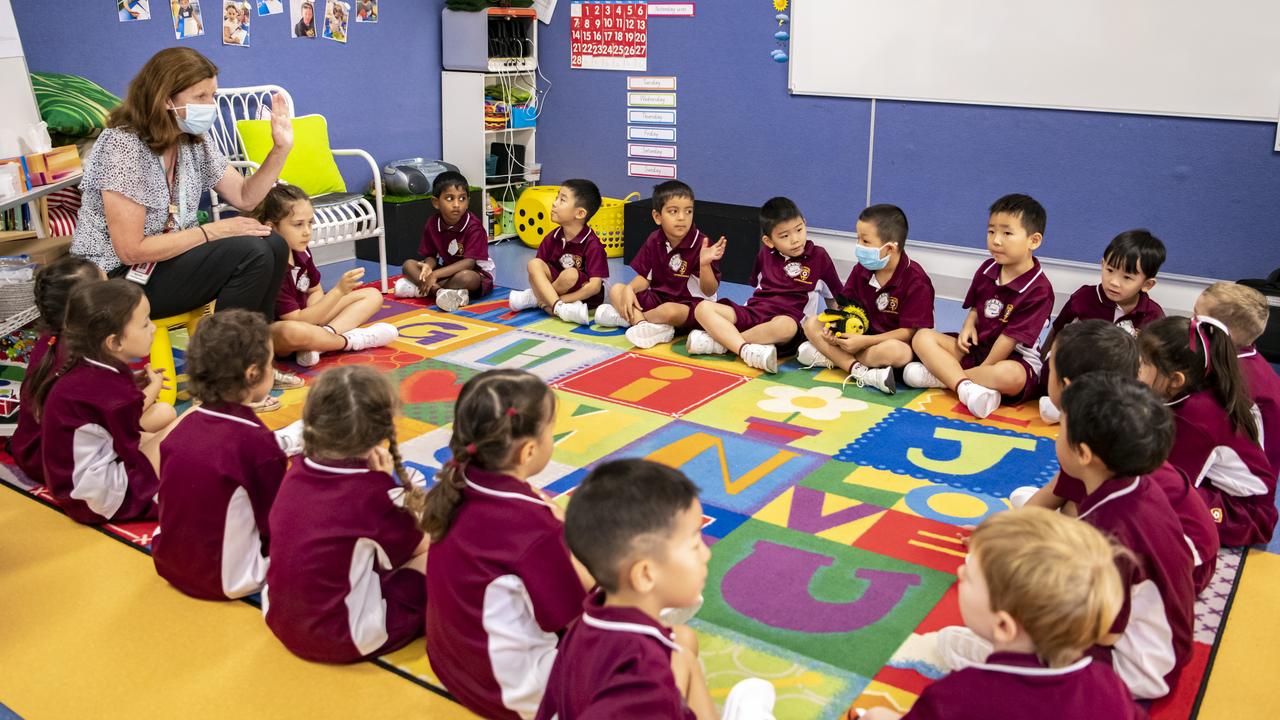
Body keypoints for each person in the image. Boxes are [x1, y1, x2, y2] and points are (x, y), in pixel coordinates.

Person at [538, 458, 777, 720]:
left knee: (683, 652)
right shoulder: (645, 678)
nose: (707, 555)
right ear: (645, 575)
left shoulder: (587, 623)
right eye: (695, 545)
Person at [72, 47, 292, 323]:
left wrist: (280, 149)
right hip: (116, 278)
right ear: (165, 99)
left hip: (162, 262)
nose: (210, 105)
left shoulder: (190, 138)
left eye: (212, 95)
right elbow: (131, 250)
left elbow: (245, 197)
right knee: (252, 253)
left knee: (273, 243)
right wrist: (212, 231)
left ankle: (255, 352)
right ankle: (228, 358)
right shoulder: (123, 146)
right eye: (200, 96)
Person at [861, 508, 1142, 720]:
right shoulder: (1108, 684)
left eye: (969, 576)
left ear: (1004, 625)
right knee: (950, 641)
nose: (959, 572)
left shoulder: (960, 694)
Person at [422, 370, 592, 720]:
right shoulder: (532, 527)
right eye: (551, 431)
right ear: (529, 450)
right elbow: (576, 616)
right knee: (672, 643)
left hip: (453, 667)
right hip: (514, 695)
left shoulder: (459, 478)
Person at [1016, 321, 1218, 594]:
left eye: (1049, 369)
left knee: (1049, 568)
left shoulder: (1099, 442)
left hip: (1184, 565)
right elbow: (1055, 488)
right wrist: (1002, 534)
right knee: (1037, 509)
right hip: (1187, 544)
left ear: (1065, 386)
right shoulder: (1099, 420)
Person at [264, 366, 428, 663]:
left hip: (278, 617)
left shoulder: (297, 469)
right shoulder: (370, 493)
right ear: (382, 432)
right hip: (341, 636)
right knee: (439, 553)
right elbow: (419, 546)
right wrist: (388, 485)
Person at [1054, 373, 1195, 700]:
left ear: (1085, 454)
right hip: (1167, 640)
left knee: (1010, 638)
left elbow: (1104, 632)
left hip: (1139, 666)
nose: (1055, 437)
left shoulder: (1108, 534)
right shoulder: (1137, 485)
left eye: (1060, 428)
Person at [152, 310, 292, 601]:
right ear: (253, 373)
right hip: (227, 578)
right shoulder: (257, 443)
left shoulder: (184, 425)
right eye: (270, 363)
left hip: (168, 560)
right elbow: (277, 524)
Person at [32, 280, 181, 525]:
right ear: (114, 343)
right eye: (145, 324)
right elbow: (130, 447)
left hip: (75, 486)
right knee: (192, 420)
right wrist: (149, 392)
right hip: (100, 498)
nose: (153, 329)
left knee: (167, 423)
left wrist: (133, 387)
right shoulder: (114, 394)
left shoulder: (89, 363)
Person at [907, 194, 1054, 419]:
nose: (996, 240)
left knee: (1008, 376)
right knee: (921, 337)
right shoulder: (987, 268)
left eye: (1007, 233)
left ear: (1033, 240)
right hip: (977, 349)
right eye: (991, 231)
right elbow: (977, 306)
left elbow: (1009, 340)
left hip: (1013, 359)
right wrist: (968, 324)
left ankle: (949, 379)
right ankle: (967, 385)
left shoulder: (1040, 290)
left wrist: (984, 369)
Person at [1139, 316, 1276, 547]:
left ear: (1175, 379)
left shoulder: (1194, 418)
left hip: (1245, 515)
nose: (1137, 371)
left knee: (1150, 497)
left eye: (1143, 364)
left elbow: (1169, 481)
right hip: (1224, 492)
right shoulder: (1195, 389)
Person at [690, 196, 841, 374]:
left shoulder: (819, 257)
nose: (795, 239)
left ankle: (722, 343)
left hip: (788, 323)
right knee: (702, 308)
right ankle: (743, 348)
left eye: (799, 230)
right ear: (769, 241)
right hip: (755, 314)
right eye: (784, 236)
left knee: (785, 326)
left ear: (804, 224)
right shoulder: (765, 254)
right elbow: (757, 288)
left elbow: (835, 300)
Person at [255, 184, 398, 367]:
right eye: (298, 224)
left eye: (310, 222)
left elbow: (314, 290)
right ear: (272, 228)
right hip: (284, 332)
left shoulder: (301, 251)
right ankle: (349, 341)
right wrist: (338, 292)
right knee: (292, 331)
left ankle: (320, 344)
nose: (307, 231)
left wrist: (320, 311)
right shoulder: (274, 264)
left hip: (309, 320)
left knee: (372, 295)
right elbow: (296, 320)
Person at [797, 203, 935, 394]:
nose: (859, 246)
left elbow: (909, 332)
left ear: (889, 249)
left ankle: (836, 359)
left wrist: (865, 342)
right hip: (856, 337)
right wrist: (833, 327)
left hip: (886, 343)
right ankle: (861, 371)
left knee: (897, 352)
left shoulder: (916, 280)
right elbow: (843, 307)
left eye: (866, 241)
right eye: (858, 239)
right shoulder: (861, 270)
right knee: (812, 324)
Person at [1039, 229, 1166, 423]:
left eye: (1127, 278)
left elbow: (1154, 361)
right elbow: (1058, 329)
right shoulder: (1083, 298)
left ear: (1147, 284)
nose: (1114, 282)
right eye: (1109, 271)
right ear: (1102, 264)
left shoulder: (1153, 315)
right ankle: (1063, 404)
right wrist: (1041, 359)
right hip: (1080, 371)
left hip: (1119, 380)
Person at [593, 180, 726, 349]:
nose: (681, 217)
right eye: (673, 211)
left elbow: (710, 291)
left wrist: (705, 264)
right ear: (657, 217)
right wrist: (630, 289)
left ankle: (629, 319)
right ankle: (644, 325)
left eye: (688, 211)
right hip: (659, 299)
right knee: (617, 289)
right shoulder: (654, 239)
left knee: (669, 311)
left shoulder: (701, 243)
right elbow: (645, 278)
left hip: (691, 306)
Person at [10, 256, 104, 485]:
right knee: (162, 418)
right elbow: (114, 420)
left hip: (31, 450)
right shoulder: (87, 351)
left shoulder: (50, 339)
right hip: (60, 464)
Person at [1194, 282, 1280, 479]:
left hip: (1238, 490)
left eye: (1197, 317)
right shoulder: (1241, 359)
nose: (1191, 323)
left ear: (1221, 332)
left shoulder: (1234, 382)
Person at [508, 180, 608, 325]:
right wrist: (557, 303)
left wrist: (558, 299)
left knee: (571, 274)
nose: (554, 203)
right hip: (558, 294)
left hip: (581, 297)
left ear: (580, 213)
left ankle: (538, 300)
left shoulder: (593, 244)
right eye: (556, 198)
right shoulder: (552, 237)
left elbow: (594, 287)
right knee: (534, 264)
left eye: (562, 200)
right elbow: (535, 276)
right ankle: (558, 308)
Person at [394, 171, 495, 312]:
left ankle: (421, 289)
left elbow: (469, 263)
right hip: (446, 270)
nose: (456, 204)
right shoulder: (432, 223)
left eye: (462, 199)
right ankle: (440, 292)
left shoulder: (474, 226)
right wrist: (428, 267)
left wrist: (434, 275)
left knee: (466, 277)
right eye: (449, 198)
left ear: (468, 202)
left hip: (475, 273)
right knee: (408, 265)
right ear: (436, 202)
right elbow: (430, 255)